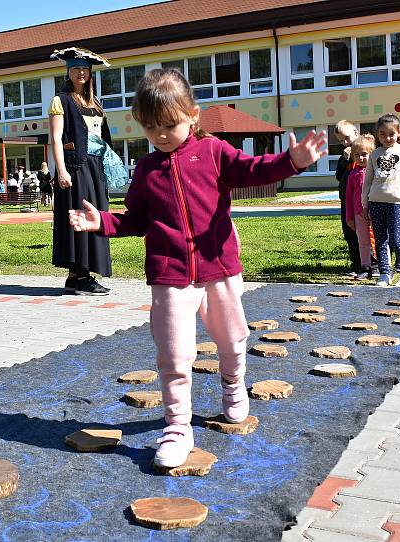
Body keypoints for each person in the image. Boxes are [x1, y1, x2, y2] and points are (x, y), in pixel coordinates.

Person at [68, 68, 327, 468]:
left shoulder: (214, 152)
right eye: (151, 127)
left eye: (171, 124)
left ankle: (233, 385)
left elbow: (255, 170)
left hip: (219, 268)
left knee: (232, 340)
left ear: (193, 114)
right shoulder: (147, 172)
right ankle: (177, 426)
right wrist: (101, 222)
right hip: (170, 277)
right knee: (174, 354)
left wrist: (291, 161)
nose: (162, 134)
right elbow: (135, 220)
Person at [49, 47, 128, 295]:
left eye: (84, 68)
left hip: (96, 166)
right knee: (79, 216)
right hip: (76, 166)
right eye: (75, 68)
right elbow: (55, 138)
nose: (80, 72)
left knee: (96, 216)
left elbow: (102, 137)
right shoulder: (60, 100)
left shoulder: (95, 102)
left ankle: (76, 278)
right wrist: (61, 170)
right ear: (68, 72)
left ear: (90, 73)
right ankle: (81, 275)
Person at [362, 114, 400, 288]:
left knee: (397, 240)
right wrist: (365, 204)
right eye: (382, 134)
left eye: (391, 134)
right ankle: (385, 273)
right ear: (377, 135)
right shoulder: (374, 155)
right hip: (376, 202)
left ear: (399, 133)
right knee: (380, 241)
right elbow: (368, 181)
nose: (387, 138)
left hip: (397, 203)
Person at [344, 135, 376, 280]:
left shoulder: (377, 172)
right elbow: (348, 198)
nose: (360, 158)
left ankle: (381, 266)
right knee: (362, 242)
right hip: (359, 214)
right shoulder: (352, 175)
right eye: (356, 155)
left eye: (364, 154)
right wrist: (349, 217)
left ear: (372, 154)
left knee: (380, 240)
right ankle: (365, 267)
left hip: (376, 212)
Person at [334, 120, 362, 276]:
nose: (344, 142)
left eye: (346, 138)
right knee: (349, 231)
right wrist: (344, 160)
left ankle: (370, 262)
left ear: (356, 133)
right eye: (340, 140)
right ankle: (355, 263)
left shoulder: (365, 152)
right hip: (346, 200)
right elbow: (338, 176)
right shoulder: (344, 155)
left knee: (363, 231)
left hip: (360, 199)